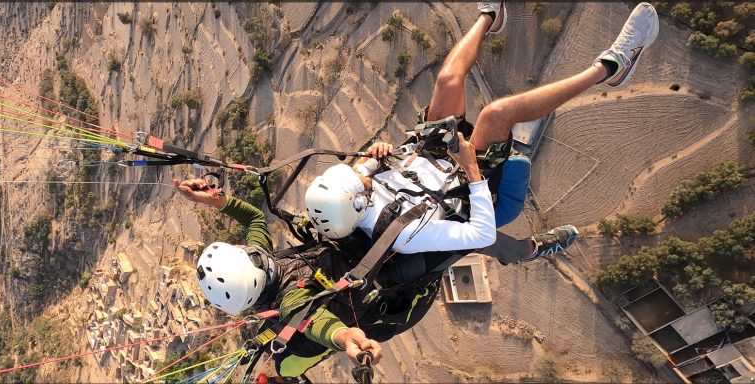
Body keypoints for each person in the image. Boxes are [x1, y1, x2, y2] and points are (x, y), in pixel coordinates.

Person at [305, 1, 659, 262]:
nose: (360, 176)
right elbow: (481, 234)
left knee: (447, 80)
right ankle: (611, 67)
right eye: (359, 182)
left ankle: (491, 15)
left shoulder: (354, 188)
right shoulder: (405, 235)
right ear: (357, 202)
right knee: (497, 113)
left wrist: (379, 151)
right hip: (466, 184)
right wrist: (472, 169)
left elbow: (367, 166)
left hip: (428, 154)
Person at [173, 178, 382, 379]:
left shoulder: (261, 271)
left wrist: (209, 199)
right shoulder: (288, 299)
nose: (243, 246)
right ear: (251, 262)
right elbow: (313, 321)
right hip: (367, 293)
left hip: (346, 257)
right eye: (241, 250)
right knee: (287, 366)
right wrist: (344, 337)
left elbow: (254, 219)